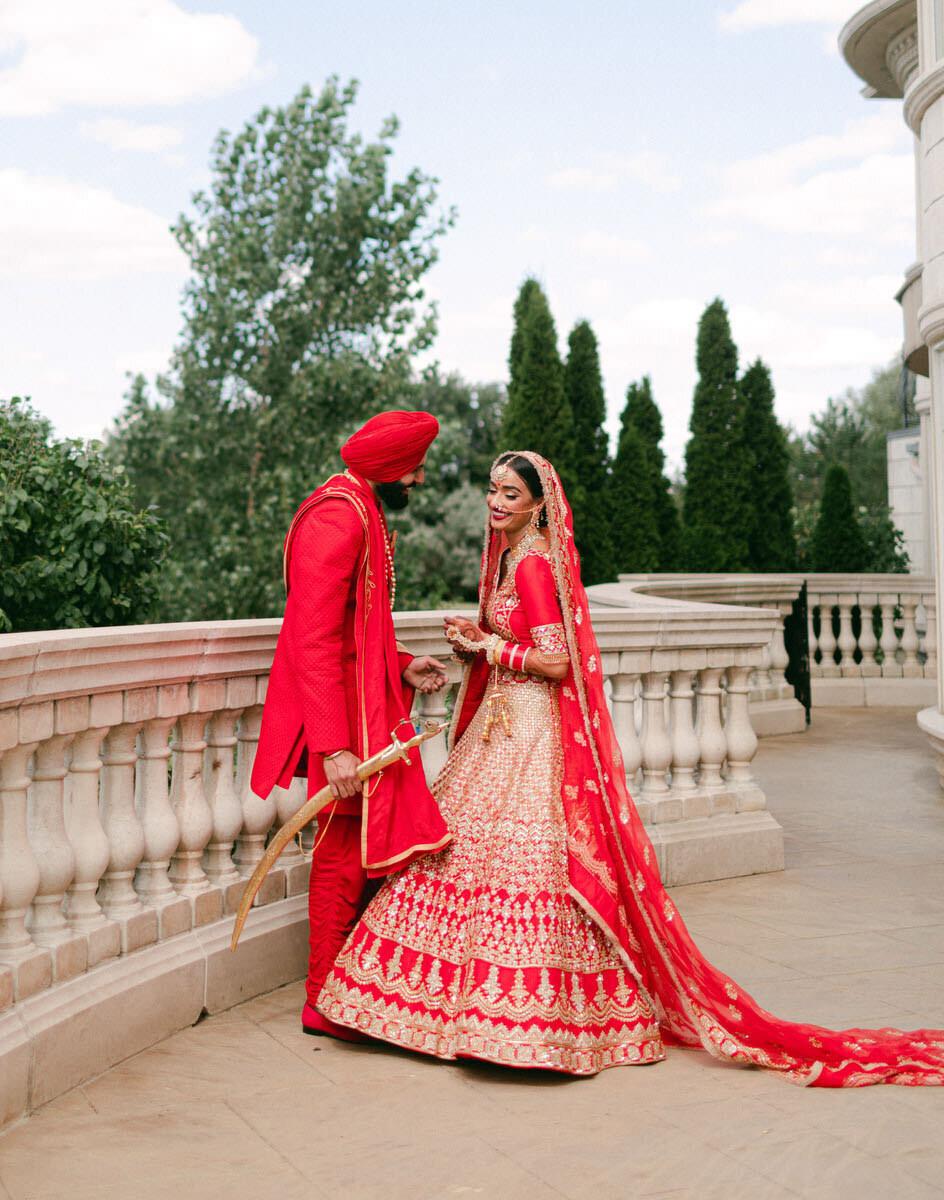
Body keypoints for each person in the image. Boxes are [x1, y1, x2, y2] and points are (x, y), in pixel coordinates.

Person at [317, 449, 944, 1086]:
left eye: (510, 494)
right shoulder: (506, 558)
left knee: (525, 857)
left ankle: (533, 1025)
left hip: (531, 727)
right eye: (492, 490)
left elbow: (558, 662)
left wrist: (487, 645)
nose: (496, 503)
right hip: (499, 725)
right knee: (461, 848)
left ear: (539, 505)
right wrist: (481, 645)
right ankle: (439, 1013)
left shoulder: (533, 564)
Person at [251, 409, 451, 1042]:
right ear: (392, 469)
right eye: (415, 468)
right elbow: (311, 639)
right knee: (342, 855)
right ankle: (322, 1001)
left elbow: (351, 631)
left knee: (368, 853)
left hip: (364, 709)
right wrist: (333, 746)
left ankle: (349, 991)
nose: (419, 480)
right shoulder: (340, 516)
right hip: (343, 724)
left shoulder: (363, 506)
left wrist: (401, 663)